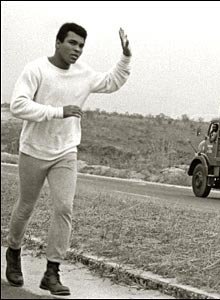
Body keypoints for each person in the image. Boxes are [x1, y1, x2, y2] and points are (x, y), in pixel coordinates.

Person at [6, 23, 131, 296]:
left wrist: (125, 57)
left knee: (64, 208)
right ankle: (13, 252)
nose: (77, 50)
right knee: (26, 206)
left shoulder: (83, 74)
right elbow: (18, 105)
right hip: (33, 149)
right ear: (58, 42)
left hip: (66, 151)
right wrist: (58, 111)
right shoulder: (36, 69)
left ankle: (52, 271)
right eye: (72, 43)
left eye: (81, 46)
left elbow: (112, 82)